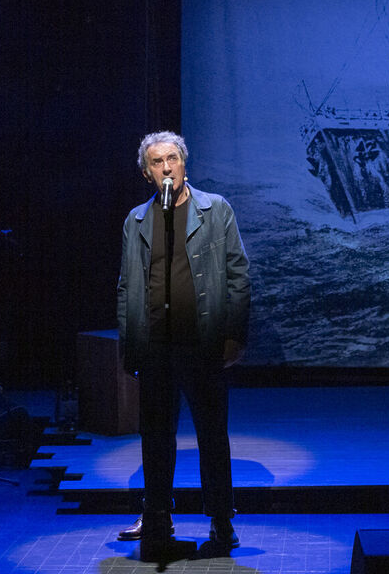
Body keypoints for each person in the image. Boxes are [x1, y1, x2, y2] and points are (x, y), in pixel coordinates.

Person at [116, 131, 250, 554]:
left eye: (173, 158)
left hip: (202, 343)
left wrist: (234, 333)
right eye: (158, 162)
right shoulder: (137, 220)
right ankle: (156, 513)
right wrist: (129, 344)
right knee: (155, 435)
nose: (167, 167)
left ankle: (222, 519)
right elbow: (126, 287)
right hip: (155, 346)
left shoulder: (216, 210)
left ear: (185, 163)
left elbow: (238, 275)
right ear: (146, 172)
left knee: (212, 434)